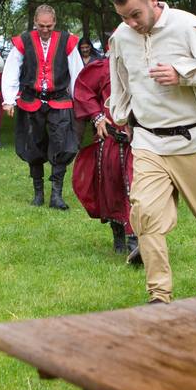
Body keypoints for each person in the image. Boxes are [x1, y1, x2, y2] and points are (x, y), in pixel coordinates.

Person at [106, 0, 196, 304]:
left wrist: (184, 76)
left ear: (152, 0)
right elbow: (121, 79)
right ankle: (158, 299)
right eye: (123, 17)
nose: (131, 23)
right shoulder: (122, 37)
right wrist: (121, 117)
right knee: (146, 217)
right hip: (149, 142)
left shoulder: (187, 27)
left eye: (136, 14)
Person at [2, 5, 84, 209]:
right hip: (31, 100)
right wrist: (9, 99)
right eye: (41, 26)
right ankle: (38, 193)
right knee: (33, 144)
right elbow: (11, 70)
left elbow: (77, 73)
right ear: (35, 23)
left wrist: (80, 103)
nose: (45, 30)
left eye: (49, 26)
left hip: (60, 100)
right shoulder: (24, 41)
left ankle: (56, 195)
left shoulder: (67, 41)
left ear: (55, 23)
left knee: (62, 144)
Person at [71, 55, 141, 264]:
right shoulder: (103, 68)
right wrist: (97, 116)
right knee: (111, 187)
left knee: (137, 186)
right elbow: (83, 90)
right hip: (111, 138)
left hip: (143, 138)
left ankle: (135, 240)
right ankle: (118, 234)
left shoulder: (148, 64)